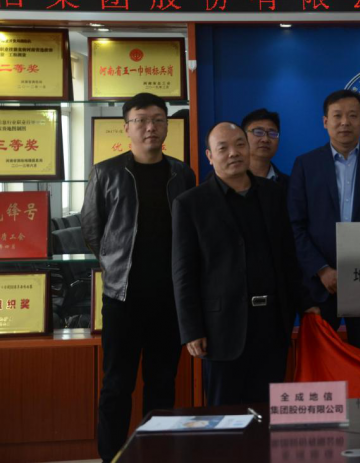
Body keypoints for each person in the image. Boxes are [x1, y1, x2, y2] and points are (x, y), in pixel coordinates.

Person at [81, 92, 196, 463]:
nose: (151, 127)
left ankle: (156, 454)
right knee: (117, 384)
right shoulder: (106, 172)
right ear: (126, 128)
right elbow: (92, 228)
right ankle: (111, 456)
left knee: (162, 384)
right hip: (122, 298)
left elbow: (190, 233)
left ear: (167, 126)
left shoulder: (182, 173)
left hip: (169, 299)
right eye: (142, 120)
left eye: (158, 120)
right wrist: (115, 264)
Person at [172, 122, 317, 406]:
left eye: (240, 144)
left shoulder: (273, 194)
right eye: (223, 148)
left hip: (272, 324)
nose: (234, 153)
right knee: (225, 414)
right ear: (209, 156)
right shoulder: (191, 204)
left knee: (268, 410)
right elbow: (183, 272)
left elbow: (287, 256)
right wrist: (191, 329)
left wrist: (305, 303)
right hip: (221, 328)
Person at [288, 89, 360, 352]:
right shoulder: (305, 165)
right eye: (337, 116)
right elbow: (295, 224)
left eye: (352, 115)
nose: (344, 122)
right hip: (320, 284)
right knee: (320, 359)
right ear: (325, 121)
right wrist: (322, 270)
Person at [241, 108, 288, 187]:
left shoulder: (290, 184)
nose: (265, 139)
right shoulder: (229, 179)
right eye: (258, 132)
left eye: (272, 133)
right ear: (243, 136)